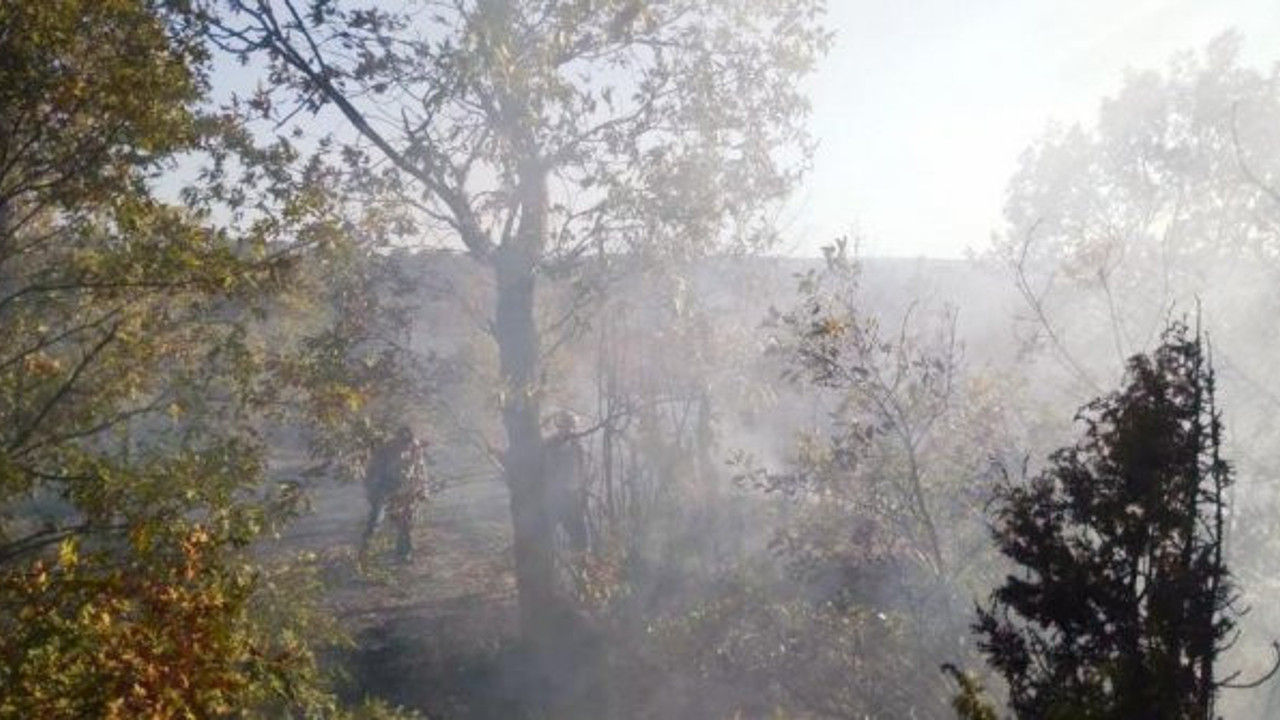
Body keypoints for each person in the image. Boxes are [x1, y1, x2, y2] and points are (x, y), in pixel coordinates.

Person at [360, 425, 430, 561]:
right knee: (376, 520)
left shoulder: (415, 448)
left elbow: (420, 470)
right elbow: (372, 472)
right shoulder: (385, 451)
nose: (405, 445)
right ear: (397, 438)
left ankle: (403, 553)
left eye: (408, 441)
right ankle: (365, 552)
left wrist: (424, 490)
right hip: (384, 488)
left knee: (405, 521)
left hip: (405, 489)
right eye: (402, 441)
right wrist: (374, 493)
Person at [543, 410, 589, 553]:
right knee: (545, 532)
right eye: (564, 426)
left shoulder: (577, 446)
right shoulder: (548, 444)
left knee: (579, 533)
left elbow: (581, 470)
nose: (568, 430)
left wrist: (582, 490)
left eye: (570, 427)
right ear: (559, 426)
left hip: (570, 494)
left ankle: (580, 559)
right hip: (552, 495)